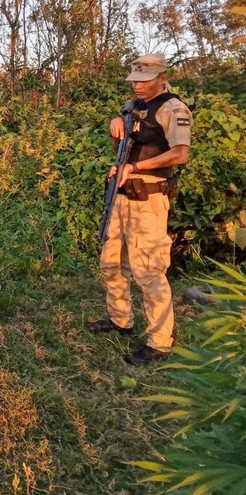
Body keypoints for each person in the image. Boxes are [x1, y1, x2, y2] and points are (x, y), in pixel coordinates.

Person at [87, 53, 192, 365]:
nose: (138, 86)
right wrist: (115, 127)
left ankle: (159, 343)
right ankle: (120, 320)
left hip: (148, 198)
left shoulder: (173, 108)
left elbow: (180, 154)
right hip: (122, 194)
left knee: (148, 270)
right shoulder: (133, 107)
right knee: (111, 263)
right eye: (134, 81)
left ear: (161, 76)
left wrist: (135, 168)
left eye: (144, 80)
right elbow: (124, 150)